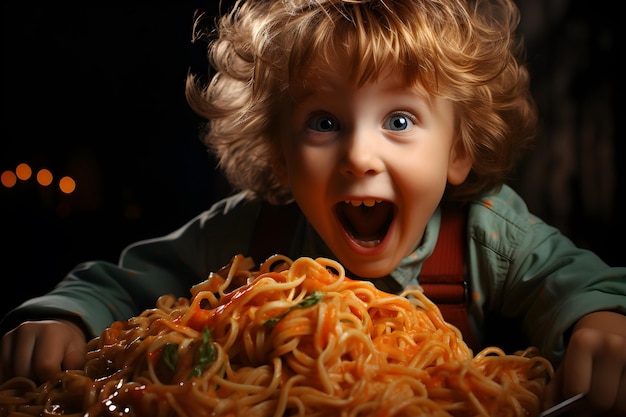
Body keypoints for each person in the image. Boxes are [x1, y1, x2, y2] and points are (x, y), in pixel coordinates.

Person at [1, 0, 624, 415]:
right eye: (324, 122)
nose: (359, 156)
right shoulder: (251, 228)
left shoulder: (490, 232)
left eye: (400, 119)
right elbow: (126, 281)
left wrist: (598, 320)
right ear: (279, 154)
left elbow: (576, 282)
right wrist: (66, 317)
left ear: (457, 151)